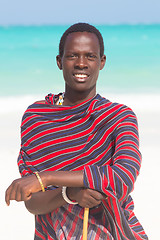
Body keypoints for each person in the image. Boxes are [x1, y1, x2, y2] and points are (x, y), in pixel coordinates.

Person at [5, 23, 148, 240]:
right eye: (72, 56)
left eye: (90, 56)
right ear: (59, 61)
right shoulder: (37, 117)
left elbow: (122, 179)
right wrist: (69, 194)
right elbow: (33, 202)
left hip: (112, 234)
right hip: (50, 234)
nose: (81, 64)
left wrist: (46, 177)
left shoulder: (118, 116)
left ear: (102, 62)